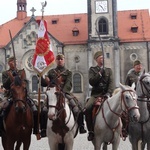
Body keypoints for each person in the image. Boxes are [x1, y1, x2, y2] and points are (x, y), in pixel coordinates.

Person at [41, 53, 86, 134]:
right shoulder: (51, 72)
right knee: (43, 109)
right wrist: (41, 77)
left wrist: (62, 91)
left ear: (64, 60)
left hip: (65, 93)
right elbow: (45, 84)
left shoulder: (68, 72)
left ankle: (81, 126)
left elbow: (69, 83)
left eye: (61, 59)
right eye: (58, 59)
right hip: (53, 93)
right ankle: (43, 129)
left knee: (77, 108)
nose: (60, 61)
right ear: (56, 61)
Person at [0, 56, 38, 136]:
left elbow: (24, 83)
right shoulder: (5, 73)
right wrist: (11, 77)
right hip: (10, 96)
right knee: (2, 110)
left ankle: (36, 129)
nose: (13, 63)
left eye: (15, 61)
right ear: (9, 63)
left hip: (22, 95)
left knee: (35, 109)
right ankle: (1, 130)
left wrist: (16, 76)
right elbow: (6, 85)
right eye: (11, 61)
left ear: (17, 63)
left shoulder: (21, 72)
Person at [84, 51, 114, 141]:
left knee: (118, 106)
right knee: (87, 108)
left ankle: (121, 129)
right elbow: (91, 81)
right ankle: (91, 131)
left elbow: (111, 83)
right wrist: (100, 73)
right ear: (96, 59)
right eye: (100, 57)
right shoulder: (92, 70)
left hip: (107, 94)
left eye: (103, 57)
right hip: (96, 94)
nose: (102, 59)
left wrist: (109, 93)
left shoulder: (109, 70)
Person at [122, 60, 142, 137]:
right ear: (134, 66)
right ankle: (125, 128)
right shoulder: (130, 75)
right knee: (126, 112)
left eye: (140, 65)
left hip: (142, 97)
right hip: (133, 97)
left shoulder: (144, 75)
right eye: (138, 65)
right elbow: (126, 87)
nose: (139, 67)